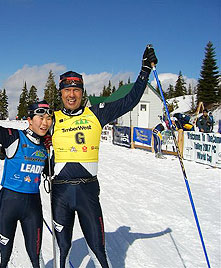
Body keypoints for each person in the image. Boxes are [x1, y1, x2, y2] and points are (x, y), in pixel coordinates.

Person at [47, 46, 158, 267]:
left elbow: (130, 100)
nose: (71, 94)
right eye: (67, 90)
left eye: (76, 90)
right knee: (62, 251)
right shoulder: (51, 118)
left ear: (82, 92)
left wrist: (144, 70)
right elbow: (29, 141)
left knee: (98, 250)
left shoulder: (97, 113)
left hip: (88, 191)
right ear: (60, 93)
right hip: (60, 193)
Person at [0, 80, 53, 268]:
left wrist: (53, 156)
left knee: (35, 257)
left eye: (49, 118)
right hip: (8, 202)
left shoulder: (46, 145)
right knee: (4, 257)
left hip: (33, 206)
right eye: (40, 118)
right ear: (30, 119)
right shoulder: (14, 137)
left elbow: (48, 171)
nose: (45, 123)